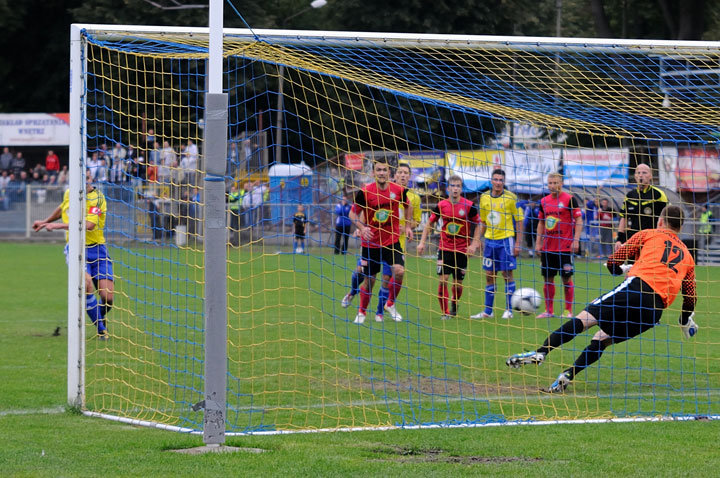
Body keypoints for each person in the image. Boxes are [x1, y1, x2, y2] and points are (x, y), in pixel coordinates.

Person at [506, 205, 698, 393]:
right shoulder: (688, 257)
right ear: (680, 227)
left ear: (661, 221)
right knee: (602, 338)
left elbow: (613, 262)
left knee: (584, 320)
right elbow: (690, 297)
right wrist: (684, 320)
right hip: (654, 312)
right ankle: (567, 376)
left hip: (634, 289)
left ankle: (542, 352)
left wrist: (621, 269)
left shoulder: (649, 234)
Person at [32, 170, 115, 339]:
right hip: (76, 248)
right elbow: (63, 207)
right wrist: (45, 222)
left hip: (98, 249)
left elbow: (90, 225)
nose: (84, 180)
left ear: (91, 179)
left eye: (87, 177)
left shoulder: (98, 198)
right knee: (86, 285)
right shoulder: (70, 192)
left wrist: (57, 227)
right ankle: (101, 330)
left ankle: (99, 316)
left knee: (108, 297)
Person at [349, 158, 413, 324]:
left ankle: (390, 304)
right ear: (373, 173)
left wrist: (407, 226)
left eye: (385, 170)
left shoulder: (398, 190)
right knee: (369, 280)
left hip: (391, 242)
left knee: (399, 271)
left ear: (389, 173)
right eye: (379, 170)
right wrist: (362, 228)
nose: (382, 173)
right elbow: (352, 213)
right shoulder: (365, 192)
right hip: (371, 243)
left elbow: (408, 205)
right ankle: (361, 312)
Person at [417, 175, 480, 319]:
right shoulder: (441, 205)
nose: (455, 189)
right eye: (453, 186)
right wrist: (422, 242)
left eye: (458, 186)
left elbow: (479, 224)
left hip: (462, 250)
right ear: (448, 188)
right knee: (443, 279)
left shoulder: (469, 206)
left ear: (461, 188)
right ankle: (445, 312)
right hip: (445, 248)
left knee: (457, 284)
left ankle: (454, 303)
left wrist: (474, 244)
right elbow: (429, 224)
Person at [468, 169, 524, 319]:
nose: (498, 182)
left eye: (501, 180)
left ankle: (509, 310)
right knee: (489, 275)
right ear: (491, 181)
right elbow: (483, 222)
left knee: (507, 274)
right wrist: (476, 241)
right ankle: (488, 311)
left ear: (504, 182)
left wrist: (518, 243)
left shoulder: (511, 198)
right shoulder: (484, 197)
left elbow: (519, 220)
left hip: (506, 241)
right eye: (496, 179)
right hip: (490, 242)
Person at [535, 172, 583, 319]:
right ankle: (549, 311)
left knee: (566, 278)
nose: (552, 186)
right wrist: (538, 243)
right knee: (548, 278)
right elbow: (541, 223)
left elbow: (579, 220)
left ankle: (568, 311)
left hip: (565, 248)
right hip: (548, 248)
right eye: (550, 183)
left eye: (555, 183)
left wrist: (576, 240)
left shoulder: (570, 199)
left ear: (561, 183)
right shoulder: (544, 201)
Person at [382, 162, 421, 315]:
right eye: (400, 172)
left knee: (393, 274)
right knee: (369, 275)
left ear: (409, 176)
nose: (403, 175)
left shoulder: (414, 198)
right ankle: (370, 307)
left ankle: (387, 306)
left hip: (399, 242)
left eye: (406, 173)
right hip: (381, 239)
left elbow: (417, 220)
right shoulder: (386, 191)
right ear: (395, 175)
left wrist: (407, 226)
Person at [615, 163, 668, 251]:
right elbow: (623, 218)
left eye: (644, 173)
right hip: (632, 239)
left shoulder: (658, 195)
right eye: (638, 173)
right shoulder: (629, 196)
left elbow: (666, 218)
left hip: (652, 240)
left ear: (650, 176)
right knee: (631, 265)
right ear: (635, 176)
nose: (641, 175)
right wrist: (619, 239)